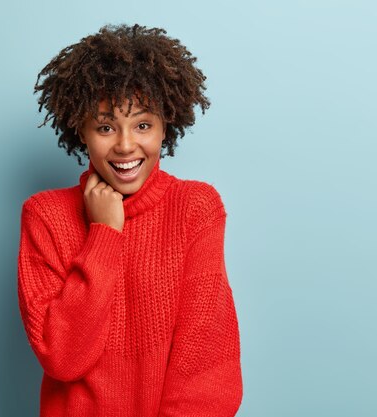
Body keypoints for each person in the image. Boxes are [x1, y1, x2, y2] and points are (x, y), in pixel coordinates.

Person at [17, 23, 243, 416]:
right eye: (105, 127)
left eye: (142, 124)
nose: (125, 145)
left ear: (165, 126)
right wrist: (104, 233)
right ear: (81, 130)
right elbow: (64, 359)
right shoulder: (45, 216)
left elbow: (207, 365)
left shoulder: (195, 208)